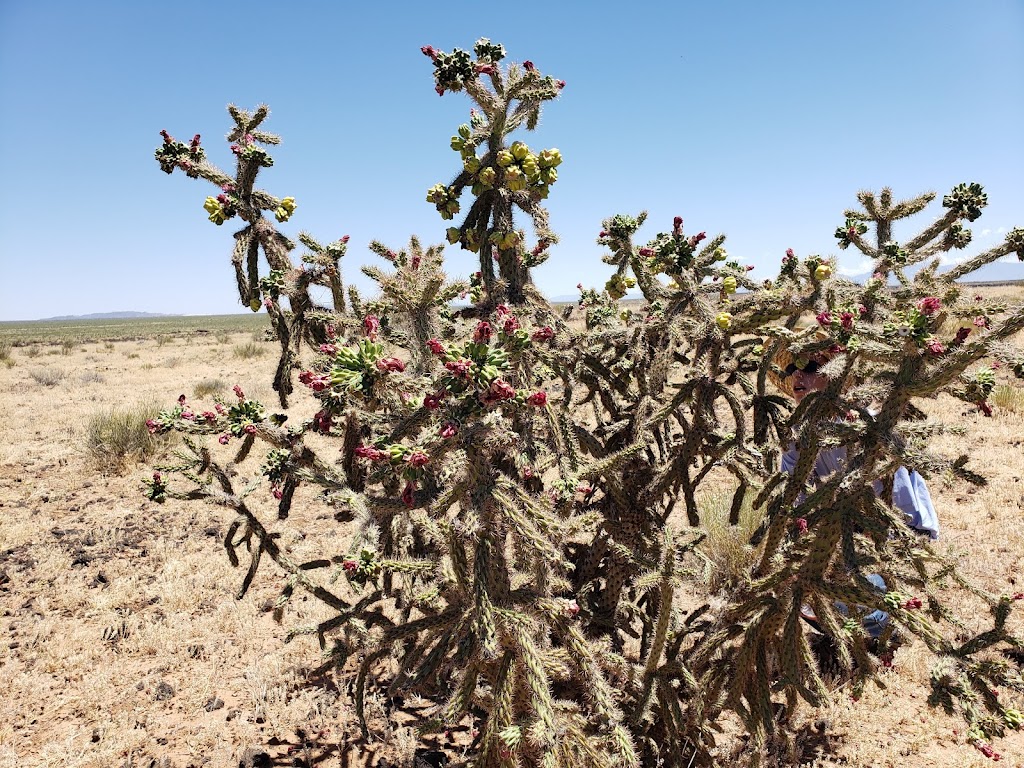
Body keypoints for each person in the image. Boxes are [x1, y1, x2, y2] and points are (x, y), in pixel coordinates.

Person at [773, 350, 940, 638]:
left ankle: (875, 623)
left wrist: (887, 549)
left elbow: (896, 505)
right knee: (800, 586)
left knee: (862, 604)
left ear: (836, 374)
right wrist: (798, 544)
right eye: (791, 370)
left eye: (809, 366)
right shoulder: (798, 435)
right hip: (842, 525)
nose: (798, 375)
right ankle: (846, 621)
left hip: (891, 527)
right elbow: (792, 495)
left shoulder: (871, 425)